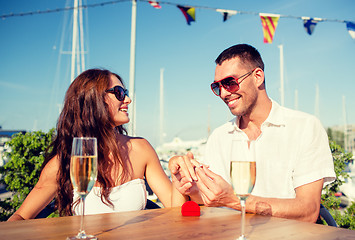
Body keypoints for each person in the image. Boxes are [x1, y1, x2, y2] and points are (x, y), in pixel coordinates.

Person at [169, 44, 336, 222]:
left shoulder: (305, 127)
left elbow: (308, 211)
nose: (224, 93)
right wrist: (187, 184)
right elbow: (214, 200)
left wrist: (236, 201)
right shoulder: (220, 137)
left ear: (257, 77)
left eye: (230, 82)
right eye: (217, 87)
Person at [8, 68, 173, 221]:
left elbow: (175, 206)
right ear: (93, 100)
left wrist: (181, 179)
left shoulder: (141, 149)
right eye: (119, 93)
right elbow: (20, 217)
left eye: (125, 93)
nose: (128, 100)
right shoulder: (66, 161)